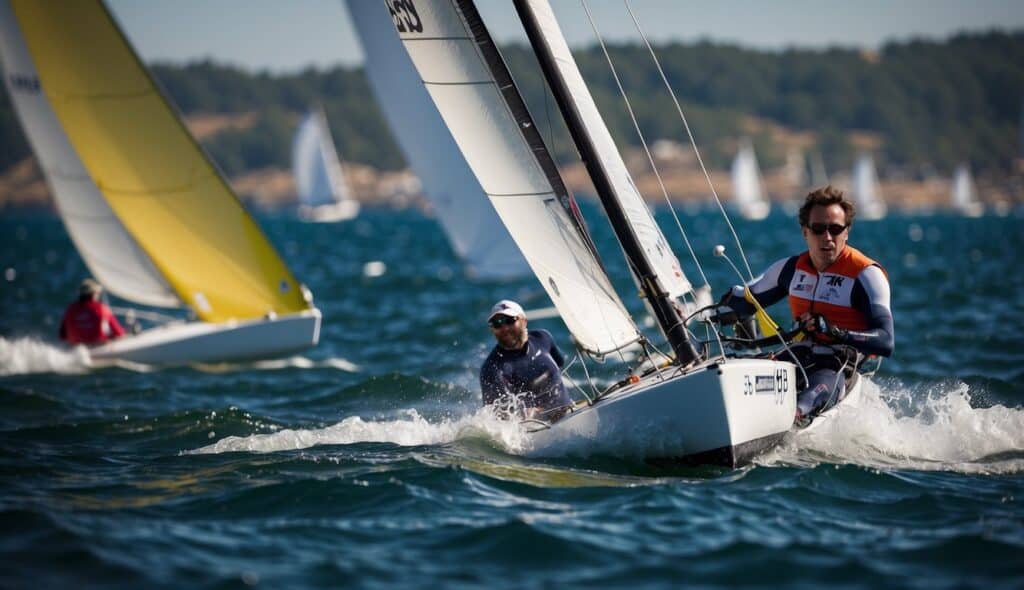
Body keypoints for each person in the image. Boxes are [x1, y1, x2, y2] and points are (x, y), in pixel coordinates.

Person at [715, 186, 894, 425]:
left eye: (835, 229)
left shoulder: (866, 275)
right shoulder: (790, 269)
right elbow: (747, 298)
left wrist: (835, 331)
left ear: (847, 232)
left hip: (837, 365)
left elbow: (885, 341)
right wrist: (724, 309)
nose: (827, 237)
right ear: (805, 232)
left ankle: (793, 419)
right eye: (818, 229)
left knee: (806, 401)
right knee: (733, 374)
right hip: (797, 355)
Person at [480, 299, 572, 421]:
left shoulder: (543, 337)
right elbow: (500, 416)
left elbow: (560, 364)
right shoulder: (493, 368)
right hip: (540, 428)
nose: (504, 328)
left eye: (509, 321)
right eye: (497, 324)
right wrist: (533, 412)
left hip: (570, 412)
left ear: (524, 321)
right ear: (492, 329)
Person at [59, 278, 126, 346]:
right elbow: (119, 332)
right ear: (93, 294)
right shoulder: (102, 308)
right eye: (97, 293)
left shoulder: (70, 309)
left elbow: (62, 336)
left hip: (77, 349)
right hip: (99, 347)